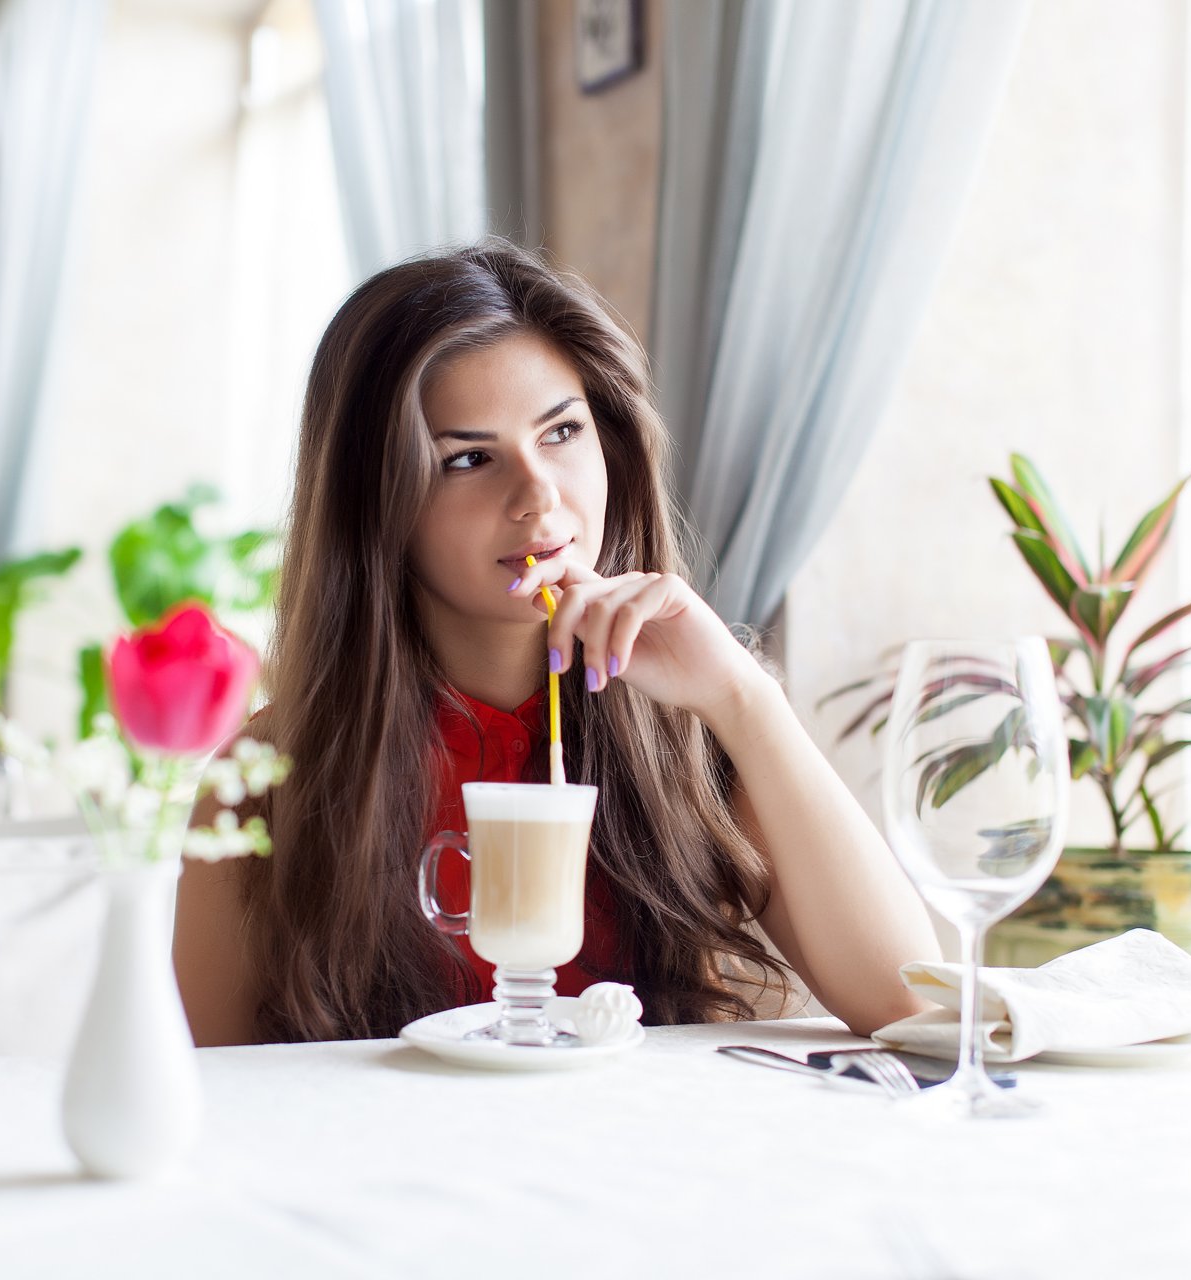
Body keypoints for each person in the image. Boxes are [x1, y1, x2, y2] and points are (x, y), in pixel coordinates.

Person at [176, 240, 937, 1046]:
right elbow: (222, 1097)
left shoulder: (695, 737)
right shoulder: (265, 784)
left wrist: (742, 698)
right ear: (378, 507)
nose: (538, 494)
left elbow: (912, 1007)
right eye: (467, 458)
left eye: (562, 432)